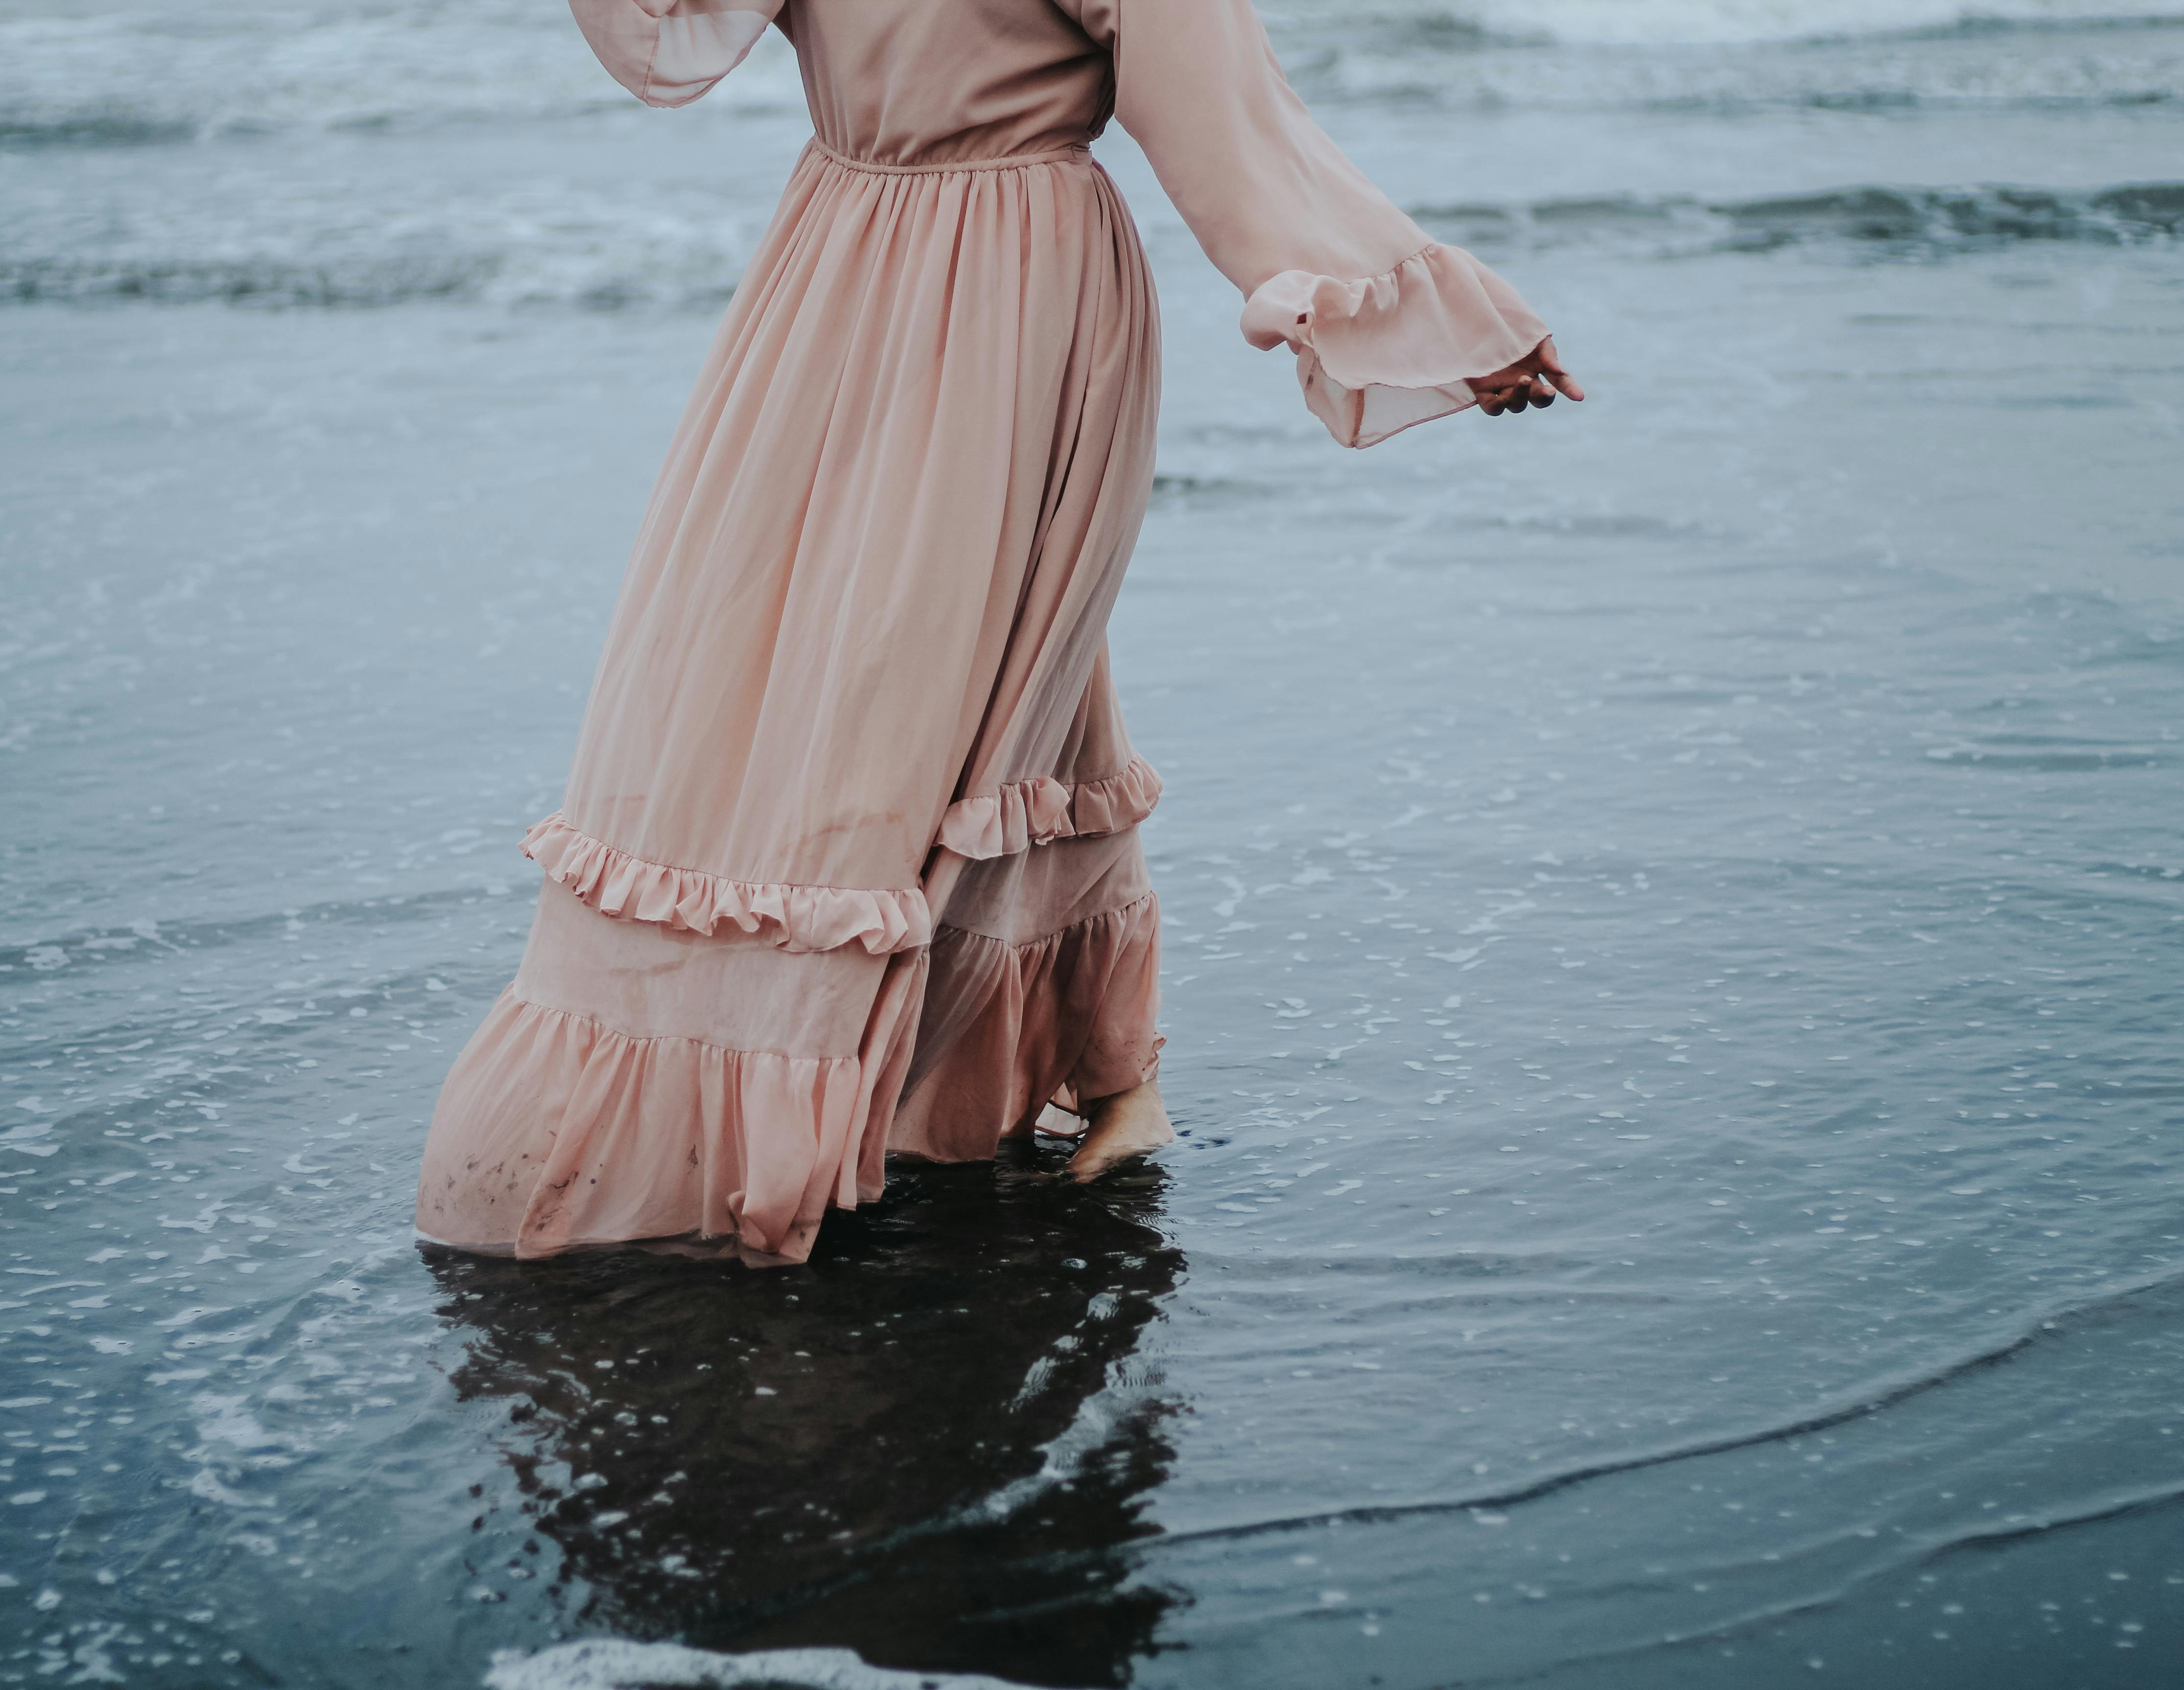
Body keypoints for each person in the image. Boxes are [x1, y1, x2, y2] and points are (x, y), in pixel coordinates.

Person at [416, 0, 1579, 1265]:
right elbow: (675, 30)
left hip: (1012, 300)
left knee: (919, 682)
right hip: (837, 274)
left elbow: (1232, 126)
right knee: (836, 669)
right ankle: (1079, 1072)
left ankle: (828, 1090)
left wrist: (1407, 316)